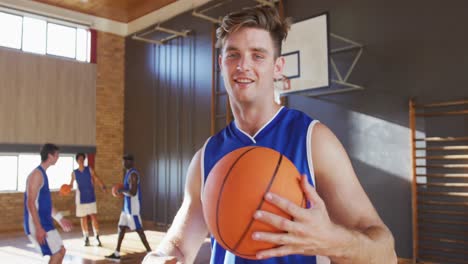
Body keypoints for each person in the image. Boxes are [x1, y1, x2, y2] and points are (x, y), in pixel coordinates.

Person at [143, 5, 397, 264]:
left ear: (278, 67)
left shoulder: (313, 141)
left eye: (258, 55)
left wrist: (332, 240)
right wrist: (158, 257)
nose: (243, 65)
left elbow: (385, 254)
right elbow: (179, 246)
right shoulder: (206, 157)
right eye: (233, 55)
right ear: (221, 64)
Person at [24, 143, 73, 264]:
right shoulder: (37, 175)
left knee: (61, 251)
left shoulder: (43, 174)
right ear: (50, 156)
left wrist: (60, 218)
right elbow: (30, 203)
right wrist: (39, 227)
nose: (58, 157)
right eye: (57, 155)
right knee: (56, 254)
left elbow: (45, 205)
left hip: (45, 221)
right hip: (37, 222)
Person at [106, 154, 152, 260]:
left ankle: (150, 252)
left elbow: (133, 192)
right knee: (121, 228)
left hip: (133, 208)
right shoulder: (128, 173)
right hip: (126, 207)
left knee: (139, 230)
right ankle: (116, 253)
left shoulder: (133, 175)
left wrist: (120, 190)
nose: (124, 163)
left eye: (126, 161)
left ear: (131, 162)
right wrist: (121, 191)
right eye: (123, 161)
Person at [67, 153, 106, 247]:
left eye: (82, 158)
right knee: (83, 218)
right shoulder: (74, 173)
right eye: (79, 159)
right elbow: (71, 185)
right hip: (80, 197)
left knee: (93, 216)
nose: (81, 160)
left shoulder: (89, 169)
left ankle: (97, 237)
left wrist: (102, 186)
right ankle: (86, 237)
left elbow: (96, 178)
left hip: (90, 196)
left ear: (84, 160)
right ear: (77, 161)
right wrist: (64, 190)